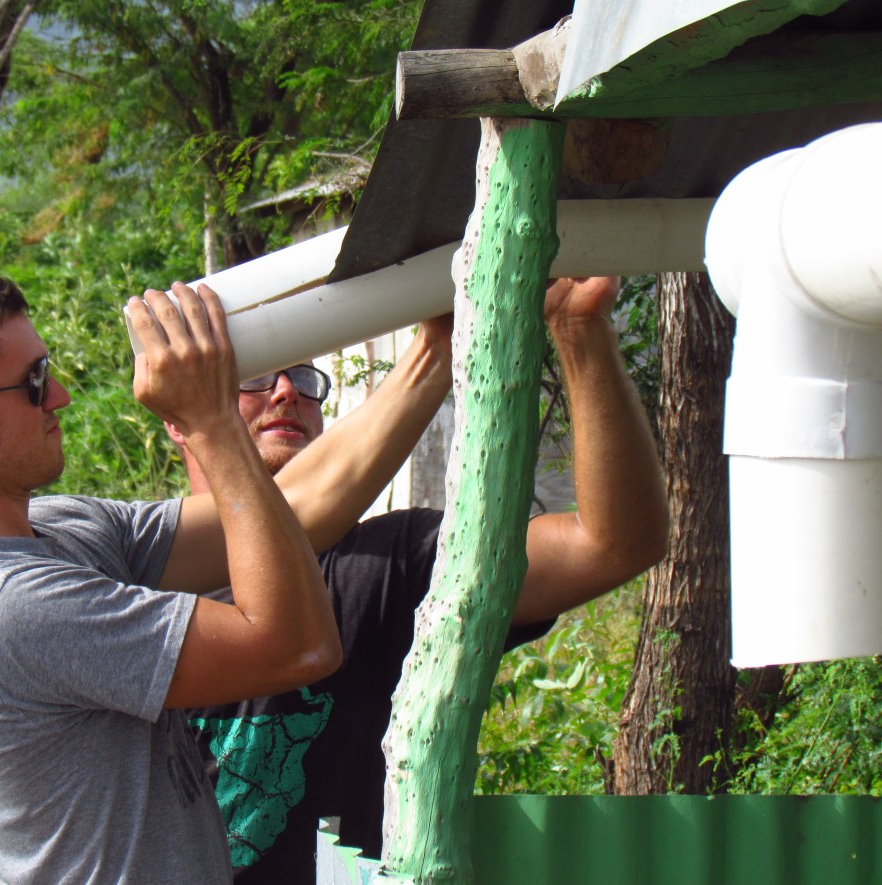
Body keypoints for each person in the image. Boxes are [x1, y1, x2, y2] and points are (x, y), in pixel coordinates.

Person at [0, 274, 666, 884]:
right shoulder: (11, 607)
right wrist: (212, 419)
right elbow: (298, 642)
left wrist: (442, 351)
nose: (59, 394)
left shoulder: (58, 534)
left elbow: (303, 506)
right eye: (32, 382)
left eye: (300, 379)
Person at [173, 276, 668, 883]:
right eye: (255, 374)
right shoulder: (124, 582)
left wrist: (579, 330)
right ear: (180, 414)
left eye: (302, 377)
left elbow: (612, 544)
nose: (284, 391)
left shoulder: (384, 566)